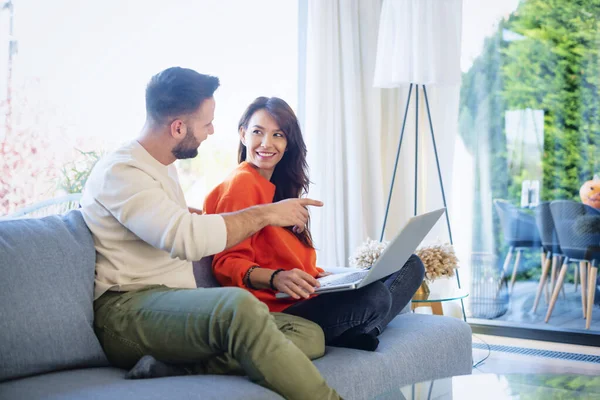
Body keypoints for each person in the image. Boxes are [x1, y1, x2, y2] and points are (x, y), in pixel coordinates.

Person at [80, 67, 340, 400]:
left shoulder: (159, 166)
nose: (212, 131)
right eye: (206, 123)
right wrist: (265, 214)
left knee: (308, 334)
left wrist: (187, 213)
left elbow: (162, 222)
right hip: (126, 313)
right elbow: (186, 239)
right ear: (178, 127)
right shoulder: (121, 170)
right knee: (238, 306)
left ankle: (176, 369)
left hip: (174, 306)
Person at [203, 97, 426, 352]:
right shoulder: (241, 185)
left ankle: (360, 332)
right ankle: (359, 330)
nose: (267, 143)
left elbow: (280, 254)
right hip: (279, 310)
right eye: (257, 132)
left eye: (278, 134)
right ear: (243, 134)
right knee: (375, 296)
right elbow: (226, 263)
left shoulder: (279, 190)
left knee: (410, 265)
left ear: (288, 144)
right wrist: (276, 278)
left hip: (307, 296)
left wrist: (319, 275)